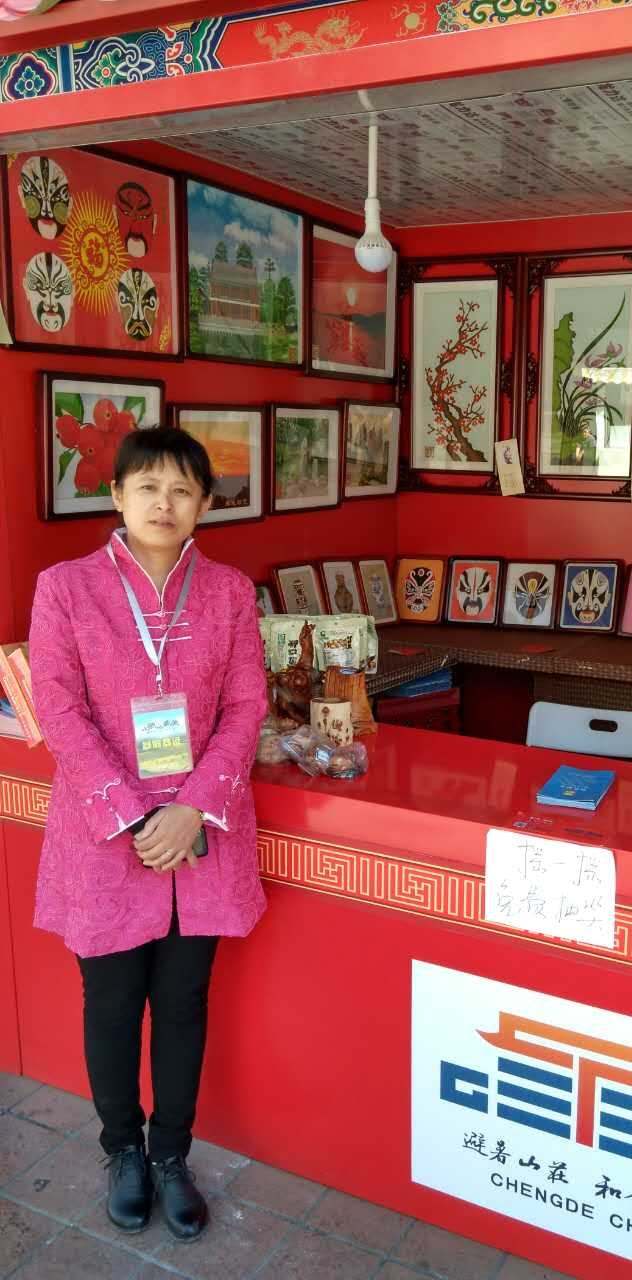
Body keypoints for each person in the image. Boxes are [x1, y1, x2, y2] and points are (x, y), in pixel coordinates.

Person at [29, 426, 268, 1241]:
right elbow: (58, 708)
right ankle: (122, 1151)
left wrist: (191, 807)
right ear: (117, 496)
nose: (164, 503)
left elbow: (246, 706)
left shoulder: (229, 592)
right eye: (147, 487)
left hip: (201, 834)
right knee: (111, 1001)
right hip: (106, 835)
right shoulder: (66, 588)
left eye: (182, 490)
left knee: (183, 1001)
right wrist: (135, 815)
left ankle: (171, 1155)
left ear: (203, 504)